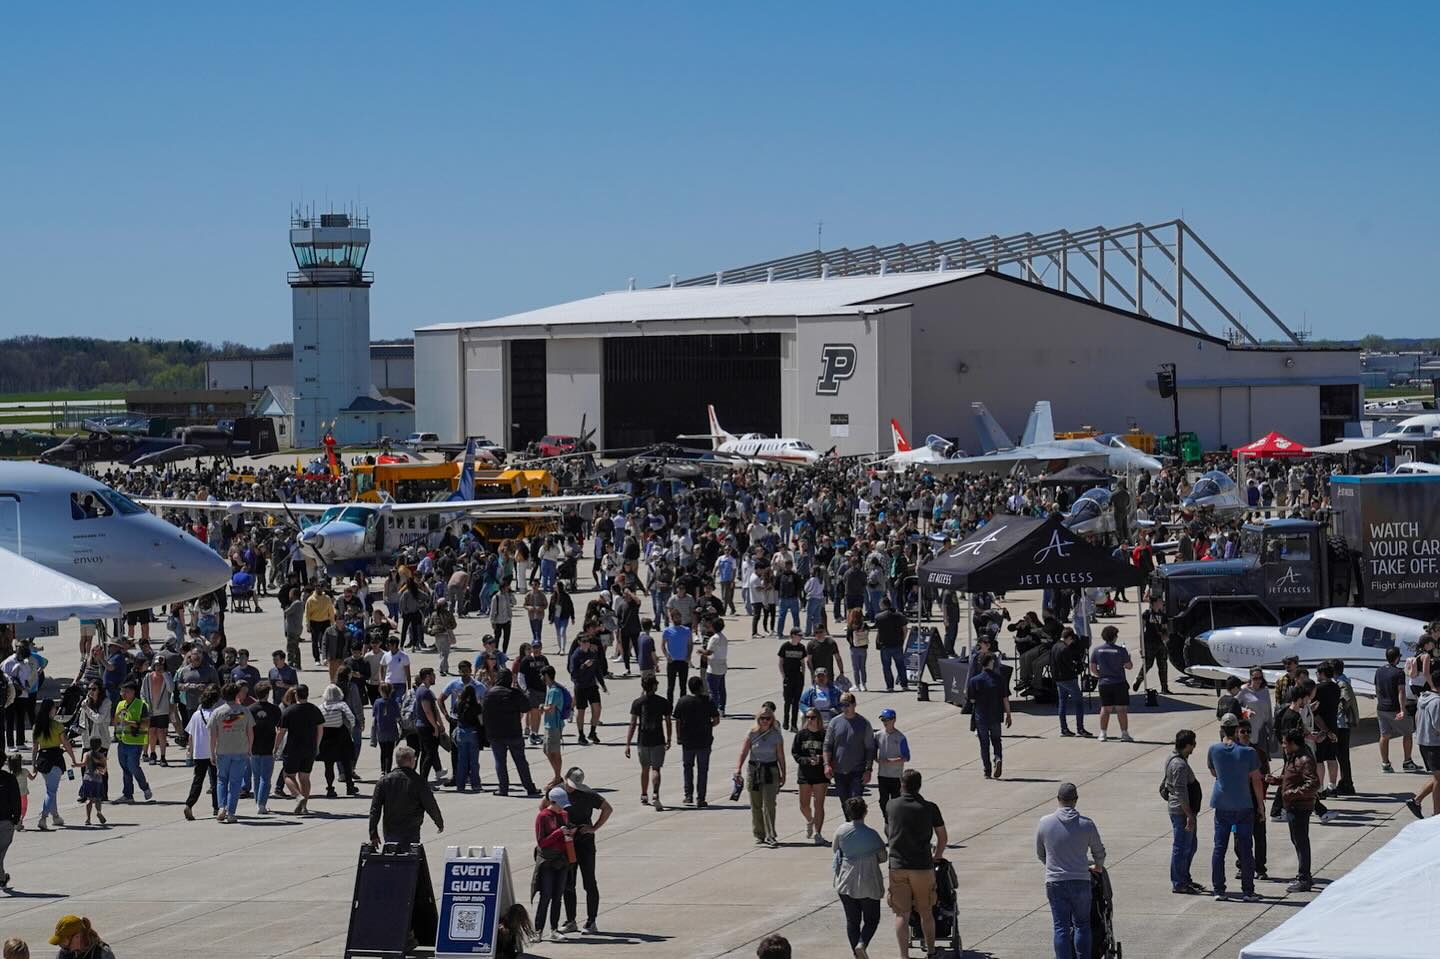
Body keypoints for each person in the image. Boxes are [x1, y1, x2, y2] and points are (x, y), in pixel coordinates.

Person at [1035, 782, 1105, 959]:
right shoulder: (1087, 824)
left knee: (1061, 927)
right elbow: (1099, 852)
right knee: (1082, 924)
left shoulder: (1045, 823)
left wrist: (1053, 866)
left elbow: (1041, 853)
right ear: (1076, 800)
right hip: (1081, 879)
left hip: (1055, 881)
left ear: (1058, 799)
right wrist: (1097, 866)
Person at [885, 769, 947, 959]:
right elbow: (942, 837)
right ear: (919, 785)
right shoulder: (929, 808)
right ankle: (930, 951)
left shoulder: (891, 805)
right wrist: (936, 856)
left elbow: (889, 831)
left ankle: (904, 956)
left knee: (901, 914)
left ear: (901, 784)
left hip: (897, 865)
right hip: (922, 865)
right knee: (926, 911)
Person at [1207, 713, 1264, 902]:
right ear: (1237, 730)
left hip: (1222, 804)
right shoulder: (1248, 752)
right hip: (1243, 804)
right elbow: (1256, 780)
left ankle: (1218, 889)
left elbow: (1214, 772)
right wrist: (1261, 805)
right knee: (1246, 848)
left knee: (1219, 848)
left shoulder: (1214, 750)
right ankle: (1248, 891)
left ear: (1222, 729)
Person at [832, 795, 887, 959]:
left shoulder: (841, 830)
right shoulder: (872, 834)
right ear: (865, 812)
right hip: (869, 881)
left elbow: (836, 849)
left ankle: (857, 953)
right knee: (871, 919)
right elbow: (883, 857)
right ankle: (862, 944)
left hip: (846, 881)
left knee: (852, 921)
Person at [561, 766, 613, 935]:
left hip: (585, 843)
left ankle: (591, 921)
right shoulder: (558, 792)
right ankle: (571, 921)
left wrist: (594, 828)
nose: (571, 788)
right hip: (568, 843)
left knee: (589, 881)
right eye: (569, 784)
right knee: (568, 882)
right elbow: (544, 808)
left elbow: (607, 808)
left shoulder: (589, 794)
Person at [368, 744, 444, 846]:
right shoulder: (418, 781)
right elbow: (430, 804)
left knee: (392, 857)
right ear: (410, 760)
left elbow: (375, 809)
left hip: (390, 830)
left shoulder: (384, 781)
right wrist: (439, 822)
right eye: (414, 758)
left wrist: (373, 833)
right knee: (409, 859)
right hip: (411, 830)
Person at [482, 670, 541, 797]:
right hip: (513, 732)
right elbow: (526, 707)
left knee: (500, 762)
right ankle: (530, 788)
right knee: (521, 761)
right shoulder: (514, 693)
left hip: (495, 734)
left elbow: (484, 714)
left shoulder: (488, 694)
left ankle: (503, 789)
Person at [735, 705, 786, 847]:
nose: (765, 721)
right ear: (758, 719)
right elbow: (743, 752)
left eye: (768, 718)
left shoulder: (776, 735)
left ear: (772, 719)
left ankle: (771, 835)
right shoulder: (751, 733)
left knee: (769, 804)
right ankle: (759, 834)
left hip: (771, 770)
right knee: (756, 804)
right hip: (754, 770)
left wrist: (783, 773)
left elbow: (780, 756)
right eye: (762, 718)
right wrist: (738, 768)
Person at [1277, 728, 1319, 892]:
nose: (1283, 745)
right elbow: (1293, 777)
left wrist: (1290, 794)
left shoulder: (1304, 759)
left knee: (1301, 842)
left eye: (1285, 743)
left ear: (1293, 744)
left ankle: (1304, 878)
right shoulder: (1294, 757)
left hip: (1299, 807)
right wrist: (1277, 780)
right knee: (1298, 841)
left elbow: (1313, 784)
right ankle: (1304, 876)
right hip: (1294, 805)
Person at [206, 683, 256, 823]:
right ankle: (231, 812)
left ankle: (222, 807)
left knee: (221, 780)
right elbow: (250, 732)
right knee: (235, 782)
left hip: (223, 750)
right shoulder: (244, 711)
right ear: (236, 695)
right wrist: (250, 748)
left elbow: (213, 735)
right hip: (240, 750)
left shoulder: (217, 712)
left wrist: (212, 752)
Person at [533, 786, 576, 943]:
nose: (562, 808)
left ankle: (554, 929)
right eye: (560, 804)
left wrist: (571, 832)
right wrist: (559, 832)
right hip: (547, 861)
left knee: (558, 896)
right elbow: (542, 842)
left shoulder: (564, 814)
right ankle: (538, 930)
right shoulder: (543, 817)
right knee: (546, 896)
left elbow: (565, 836)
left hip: (562, 860)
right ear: (552, 802)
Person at [824, 692, 875, 819]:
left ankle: (856, 827)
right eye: (842, 705)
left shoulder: (864, 723)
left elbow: (870, 748)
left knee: (855, 804)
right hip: (839, 771)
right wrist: (826, 765)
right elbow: (827, 745)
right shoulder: (834, 722)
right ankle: (849, 827)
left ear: (854, 705)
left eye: (848, 705)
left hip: (857, 771)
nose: (845, 708)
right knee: (845, 804)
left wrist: (868, 769)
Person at [1163, 729, 1202, 894]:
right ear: (1186, 745)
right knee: (1182, 847)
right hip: (1181, 812)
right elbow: (1181, 792)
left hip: (1185, 811)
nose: (1194, 746)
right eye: (1193, 743)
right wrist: (1189, 815)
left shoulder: (1178, 759)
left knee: (1191, 846)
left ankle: (1185, 878)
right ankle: (1179, 883)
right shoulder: (1178, 764)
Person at [624, 674, 672, 809]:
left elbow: (632, 724)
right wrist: (669, 738)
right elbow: (668, 722)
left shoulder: (638, 702)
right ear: (654, 686)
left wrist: (628, 743)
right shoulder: (663, 702)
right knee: (656, 769)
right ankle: (655, 793)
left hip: (643, 740)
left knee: (644, 769)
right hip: (658, 740)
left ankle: (644, 795)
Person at [277, 684, 325, 816]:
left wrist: (275, 747)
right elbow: (320, 728)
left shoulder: (289, 711)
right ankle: (304, 807)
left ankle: (298, 796)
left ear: (296, 695)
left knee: (288, 775)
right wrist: (317, 745)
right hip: (309, 748)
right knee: (305, 777)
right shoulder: (314, 709)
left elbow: (281, 732)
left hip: (293, 748)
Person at [31, 698, 78, 831]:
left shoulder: (36, 726)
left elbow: (35, 748)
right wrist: (73, 758)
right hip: (55, 759)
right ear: (50, 710)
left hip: (43, 759)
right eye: (54, 708)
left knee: (50, 789)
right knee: (51, 791)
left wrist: (34, 765)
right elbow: (66, 744)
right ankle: (43, 817)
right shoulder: (57, 725)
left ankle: (55, 816)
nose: (56, 710)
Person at [674, 675, 720, 807]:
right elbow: (716, 720)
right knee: (703, 769)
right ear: (701, 687)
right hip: (704, 740)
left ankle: (688, 796)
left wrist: (679, 736)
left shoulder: (682, 701)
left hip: (687, 741)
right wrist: (708, 726)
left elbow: (677, 720)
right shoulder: (708, 701)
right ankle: (701, 798)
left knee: (687, 768)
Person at [966, 652, 1013, 779]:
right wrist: (1008, 714)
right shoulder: (999, 679)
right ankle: (998, 757)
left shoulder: (974, 681)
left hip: (981, 717)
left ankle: (987, 770)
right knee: (997, 740)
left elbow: (971, 700)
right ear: (991, 662)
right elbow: (1005, 698)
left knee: (984, 744)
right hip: (996, 715)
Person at [1088, 625, 1134, 742]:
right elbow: (1129, 666)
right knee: (1121, 709)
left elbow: (1093, 668)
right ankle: (1124, 734)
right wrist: (1127, 658)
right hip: (1119, 683)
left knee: (1105, 709)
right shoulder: (1121, 650)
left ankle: (1103, 733)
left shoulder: (1097, 650)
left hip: (1104, 683)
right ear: (1114, 637)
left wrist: (1101, 675)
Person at [111, 682, 154, 804]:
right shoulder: (120, 704)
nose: (123, 694)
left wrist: (130, 723)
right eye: (122, 691)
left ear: (134, 692)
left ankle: (144, 787)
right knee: (125, 769)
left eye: (126, 692)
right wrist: (118, 718)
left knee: (133, 767)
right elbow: (115, 722)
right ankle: (128, 794)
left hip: (135, 742)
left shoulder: (141, 705)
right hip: (122, 741)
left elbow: (146, 724)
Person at [1375, 645, 1416, 773]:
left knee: (1384, 735)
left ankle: (1385, 763)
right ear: (1397, 658)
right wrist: (1402, 709)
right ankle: (1407, 762)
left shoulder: (1379, 671)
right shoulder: (1399, 673)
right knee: (1408, 733)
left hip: (1381, 708)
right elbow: (1401, 692)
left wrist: (1380, 701)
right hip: (1394, 709)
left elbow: (1377, 689)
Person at [792, 707, 829, 844]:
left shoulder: (824, 734)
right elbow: (795, 753)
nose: (810, 720)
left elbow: (830, 751)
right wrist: (806, 760)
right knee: (803, 805)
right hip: (805, 773)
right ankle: (810, 820)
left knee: (819, 804)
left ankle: (818, 833)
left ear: (818, 718)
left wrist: (821, 759)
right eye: (808, 717)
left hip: (820, 775)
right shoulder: (801, 735)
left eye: (813, 717)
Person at [1407, 668, 1440, 818]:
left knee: (1437, 777)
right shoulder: (1437, 702)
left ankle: (1416, 801)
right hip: (1434, 745)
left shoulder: (1423, 698)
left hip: (1425, 743)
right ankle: (1437, 813)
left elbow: (1416, 717)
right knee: (1439, 779)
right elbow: (1438, 725)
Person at [1050, 628, 1091, 738]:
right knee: (1079, 702)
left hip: (1058, 679)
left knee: (1062, 702)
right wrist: (1077, 668)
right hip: (1068, 679)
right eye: (1071, 640)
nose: (1071, 642)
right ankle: (1080, 728)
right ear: (1068, 638)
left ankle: (1064, 728)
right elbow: (1070, 666)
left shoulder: (1054, 646)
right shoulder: (1065, 649)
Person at [248, 681, 281, 814]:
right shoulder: (274, 709)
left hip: (254, 746)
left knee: (256, 777)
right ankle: (261, 804)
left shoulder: (250, 709)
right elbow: (279, 729)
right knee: (265, 778)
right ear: (267, 694)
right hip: (269, 746)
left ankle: (258, 802)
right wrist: (277, 747)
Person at [873, 707, 910, 822]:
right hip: (883, 774)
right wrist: (875, 759)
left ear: (894, 720)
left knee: (896, 800)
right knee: (883, 800)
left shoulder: (900, 737)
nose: (885, 723)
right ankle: (887, 819)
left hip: (895, 775)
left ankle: (896, 819)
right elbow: (872, 749)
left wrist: (891, 761)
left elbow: (906, 757)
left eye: (887, 720)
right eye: (883, 720)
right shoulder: (878, 735)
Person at [1133, 597, 1170, 694]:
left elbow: (1165, 629)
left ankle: (1164, 687)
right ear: (1154, 603)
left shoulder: (1163, 615)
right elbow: (1142, 630)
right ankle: (1139, 679)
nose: (1162, 603)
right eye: (1160, 601)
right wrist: (1141, 646)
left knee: (1163, 666)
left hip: (1160, 644)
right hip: (1149, 642)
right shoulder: (1147, 614)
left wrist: (1165, 637)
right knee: (1148, 664)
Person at [873, 598, 908, 692]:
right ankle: (904, 685)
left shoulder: (878, 617)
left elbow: (878, 632)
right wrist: (902, 640)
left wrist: (877, 642)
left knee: (886, 667)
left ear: (883, 605)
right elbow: (905, 629)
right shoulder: (899, 615)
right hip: (897, 644)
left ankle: (890, 686)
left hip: (885, 646)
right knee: (901, 665)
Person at [777, 629, 808, 730]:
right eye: (799, 635)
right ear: (793, 635)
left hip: (798, 677)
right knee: (787, 700)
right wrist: (783, 676)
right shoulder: (785, 646)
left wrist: (803, 676)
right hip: (788, 677)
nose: (800, 637)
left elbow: (803, 663)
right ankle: (786, 720)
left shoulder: (801, 647)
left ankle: (793, 724)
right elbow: (780, 662)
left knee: (796, 702)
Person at [661, 609, 692, 707]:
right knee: (671, 687)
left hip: (683, 661)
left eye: (679, 616)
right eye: (675, 617)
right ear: (672, 618)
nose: (678, 618)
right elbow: (662, 645)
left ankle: (682, 707)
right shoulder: (667, 631)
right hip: (672, 662)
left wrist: (688, 656)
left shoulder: (686, 630)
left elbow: (690, 644)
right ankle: (669, 707)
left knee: (683, 686)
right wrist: (667, 655)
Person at [46, 916, 115, 959]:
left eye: (64, 942)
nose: (61, 946)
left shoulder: (102, 954)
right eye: (60, 943)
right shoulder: (64, 954)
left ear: (77, 937)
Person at [0, 754, 19, 887]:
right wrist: (16, 818)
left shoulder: (9, 778)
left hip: (6, 821)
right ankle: (1, 877)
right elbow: (15, 800)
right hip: (6, 821)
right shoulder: (9, 778)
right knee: (1, 851)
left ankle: (1, 877)